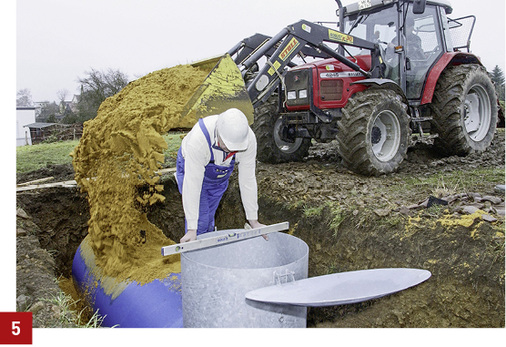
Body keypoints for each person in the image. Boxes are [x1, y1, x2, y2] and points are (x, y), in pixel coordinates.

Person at [175, 108, 265, 243]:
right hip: (191, 168)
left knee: (209, 215)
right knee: (201, 219)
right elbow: (192, 185)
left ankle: (208, 246)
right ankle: (196, 255)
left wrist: (254, 220)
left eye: (236, 148)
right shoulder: (199, 140)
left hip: (218, 176)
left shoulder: (248, 140)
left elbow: (248, 180)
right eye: (228, 146)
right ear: (219, 134)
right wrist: (192, 229)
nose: (231, 150)